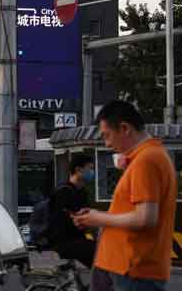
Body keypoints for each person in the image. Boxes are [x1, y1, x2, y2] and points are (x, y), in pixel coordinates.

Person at [72, 101, 177, 291]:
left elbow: (146, 217)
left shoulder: (146, 160)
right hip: (125, 265)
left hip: (133, 267)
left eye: (107, 135)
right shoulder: (145, 157)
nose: (107, 143)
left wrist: (98, 218)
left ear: (124, 128)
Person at [48, 155, 96, 268]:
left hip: (80, 239)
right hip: (64, 242)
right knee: (101, 259)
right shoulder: (63, 192)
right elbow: (61, 221)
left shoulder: (82, 192)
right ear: (78, 170)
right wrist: (79, 219)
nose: (92, 172)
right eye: (90, 168)